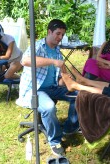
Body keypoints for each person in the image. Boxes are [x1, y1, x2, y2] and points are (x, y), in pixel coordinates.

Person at [16, 19, 79, 157]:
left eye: (62, 35)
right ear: (49, 32)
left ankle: (70, 127)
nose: (60, 37)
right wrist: (53, 61)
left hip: (52, 87)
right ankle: (54, 140)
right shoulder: (38, 45)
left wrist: (68, 82)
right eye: (58, 34)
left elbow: (57, 78)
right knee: (49, 107)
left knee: (79, 94)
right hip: (33, 90)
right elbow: (25, 60)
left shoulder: (56, 49)